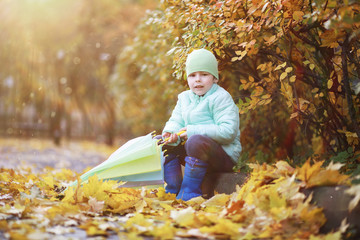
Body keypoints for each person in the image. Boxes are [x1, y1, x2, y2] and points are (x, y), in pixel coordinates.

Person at [161, 48, 242, 201]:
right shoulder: (184, 98)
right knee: (161, 142)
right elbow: (176, 120)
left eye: (204, 75)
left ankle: (189, 192)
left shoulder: (221, 98)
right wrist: (170, 133)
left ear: (214, 78)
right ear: (187, 79)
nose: (197, 79)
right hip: (195, 152)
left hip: (222, 156)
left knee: (195, 141)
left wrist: (192, 131)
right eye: (192, 75)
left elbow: (228, 131)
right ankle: (173, 189)